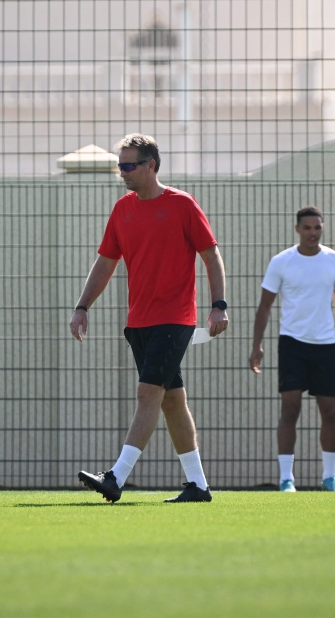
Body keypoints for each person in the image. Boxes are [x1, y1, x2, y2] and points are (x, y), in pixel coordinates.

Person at [70, 133, 229, 503]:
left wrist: (218, 303)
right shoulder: (122, 209)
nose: (121, 171)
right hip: (138, 322)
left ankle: (116, 478)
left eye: (128, 165)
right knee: (172, 401)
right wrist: (82, 306)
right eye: (119, 165)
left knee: (147, 394)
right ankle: (198, 486)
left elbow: (211, 256)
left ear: (151, 165)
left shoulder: (182, 205)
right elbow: (106, 262)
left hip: (175, 319)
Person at [249, 207, 335, 492]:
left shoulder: (334, 261)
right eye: (307, 227)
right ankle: (287, 479)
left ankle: (329, 478)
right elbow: (265, 305)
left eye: (317, 227)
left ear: (322, 229)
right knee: (290, 409)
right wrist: (256, 345)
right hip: (292, 345)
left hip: (324, 346)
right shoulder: (281, 262)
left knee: (330, 412)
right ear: (297, 229)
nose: (313, 232)